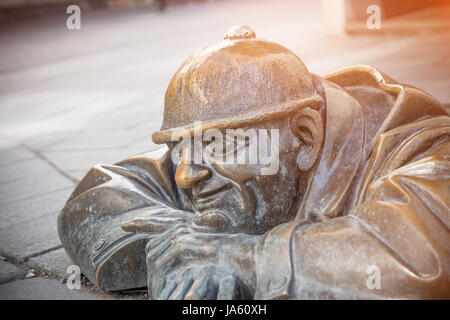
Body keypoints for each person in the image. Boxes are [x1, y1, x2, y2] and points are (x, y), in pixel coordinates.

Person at [58, 26, 450, 299]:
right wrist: (184, 244)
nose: (186, 175)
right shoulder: (213, 156)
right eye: (181, 148)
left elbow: (423, 258)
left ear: (305, 137)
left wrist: (239, 259)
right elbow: (97, 196)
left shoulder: (421, 147)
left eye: (221, 146)